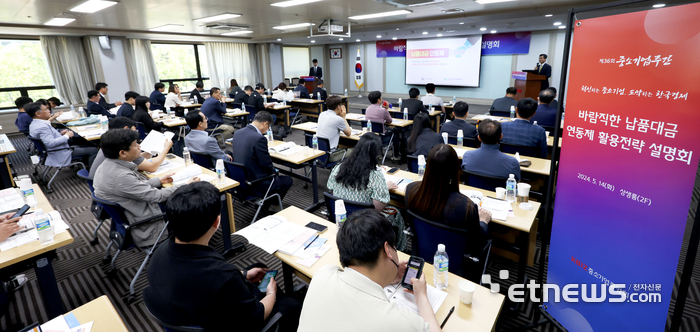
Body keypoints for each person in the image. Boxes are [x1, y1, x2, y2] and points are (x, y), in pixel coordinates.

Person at [144, 182, 301, 332]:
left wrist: (243, 274)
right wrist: (271, 293)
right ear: (216, 221)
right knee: (292, 305)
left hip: (188, 306)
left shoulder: (160, 251)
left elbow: (205, 282)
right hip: (225, 323)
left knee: (255, 267)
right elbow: (256, 315)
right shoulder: (222, 275)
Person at [297, 209, 441, 332]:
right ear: (388, 250)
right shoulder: (401, 322)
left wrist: (388, 276)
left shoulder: (323, 274)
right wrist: (421, 296)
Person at [93, 129, 198, 247]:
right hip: (147, 220)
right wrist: (186, 185)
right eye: (135, 145)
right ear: (123, 153)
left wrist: (159, 180)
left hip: (133, 211)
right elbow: (156, 196)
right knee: (190, 204)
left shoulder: (106, 166)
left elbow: (133, 187)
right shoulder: (121, 176)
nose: (139, 146)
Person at [406, 144, 491, 259]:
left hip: (422, 253)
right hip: (454, 263)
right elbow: (476, 245)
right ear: (455, 170)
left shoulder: (411, 190)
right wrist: (483, 222)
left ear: (428, 166)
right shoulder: (466, 206)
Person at [327, 134, 407, 250]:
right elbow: (377, 209)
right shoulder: (375, 176)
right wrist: (384, 188)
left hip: (343, 219)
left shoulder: (338, 168)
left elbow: (333, 191)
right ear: (376, 153)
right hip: (364, 224)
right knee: (396, 213)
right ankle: (399, 251)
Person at [231, 111, 293, 210]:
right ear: (265, 123)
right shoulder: (259, 138)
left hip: (240, 180)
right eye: (268, 127)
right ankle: (268, 205)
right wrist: (274, 173)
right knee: (287, 180)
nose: (267, 130)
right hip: (255, 183)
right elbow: (266, 164)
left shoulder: (238, 132)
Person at [88, 116, 172, 179]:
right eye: (134, 130)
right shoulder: (121, 145)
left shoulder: (110, 141)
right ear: (126, 129)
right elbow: (152, 167)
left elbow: (134, 159)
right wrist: (165, 149)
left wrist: (150, 150)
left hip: (101, 186)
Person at [27, 102, 98, 168]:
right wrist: (66, 136)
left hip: (51, 151)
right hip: (59, 152)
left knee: (83, 140)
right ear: (38, 113)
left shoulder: (34, 124)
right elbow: (51, 143)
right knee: (94, 150)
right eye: (46, 109)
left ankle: (85, 163)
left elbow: (46, 137)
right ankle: (92, 174)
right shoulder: (42, 127)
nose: (49, 110)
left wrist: (60, 134)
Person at [316, 96, 352, 162]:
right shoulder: (338, 119)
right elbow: (349, 133)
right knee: (354, 150)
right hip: (331, 155)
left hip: (319, 152)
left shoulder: (322, 114)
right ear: (338, 107)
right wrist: (343, 117)